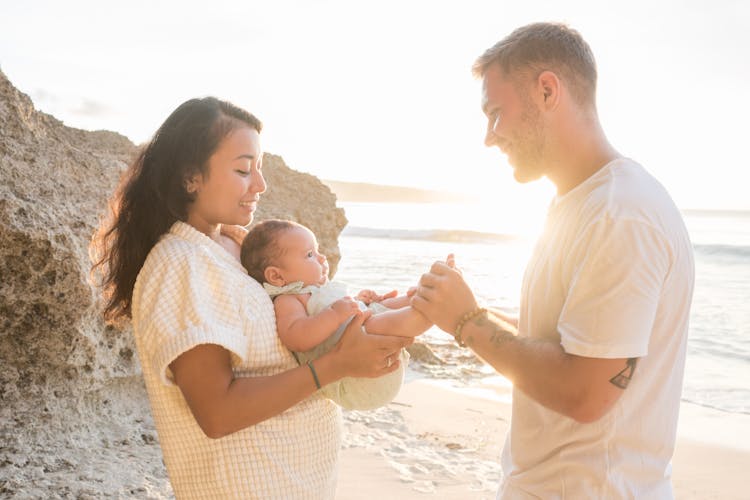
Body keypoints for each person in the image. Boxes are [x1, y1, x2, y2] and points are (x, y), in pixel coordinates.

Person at [412, 22, 694, 499]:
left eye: (496, 113)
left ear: (547, 90)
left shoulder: (621, 213)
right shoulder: (580, 204)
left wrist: (467, 321)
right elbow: (563, 340)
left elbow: (585, 392)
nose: (489, 136)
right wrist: (447, 309)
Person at [90, 97, 412, 499]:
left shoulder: (233, 245)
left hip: (298, 482)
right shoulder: (180, 263)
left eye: (259, 169)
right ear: (191, 177)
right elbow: (218, 413)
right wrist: (337, 364)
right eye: (244, 169)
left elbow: (287, 324)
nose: (260, 185)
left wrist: (356, 311)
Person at [241, 219, 431, 410]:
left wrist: (360, 301)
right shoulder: (289, 300)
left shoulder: (316, 290)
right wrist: (335, 313)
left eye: (317, 251)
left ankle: (423, 296)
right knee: (373, 323)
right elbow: (297, 337)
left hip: (373, 358)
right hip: (354, 381)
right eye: (309, 255)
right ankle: (428, 311)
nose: (322, 258)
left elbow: (341, 315)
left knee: (382, 306)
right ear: (276, 276)